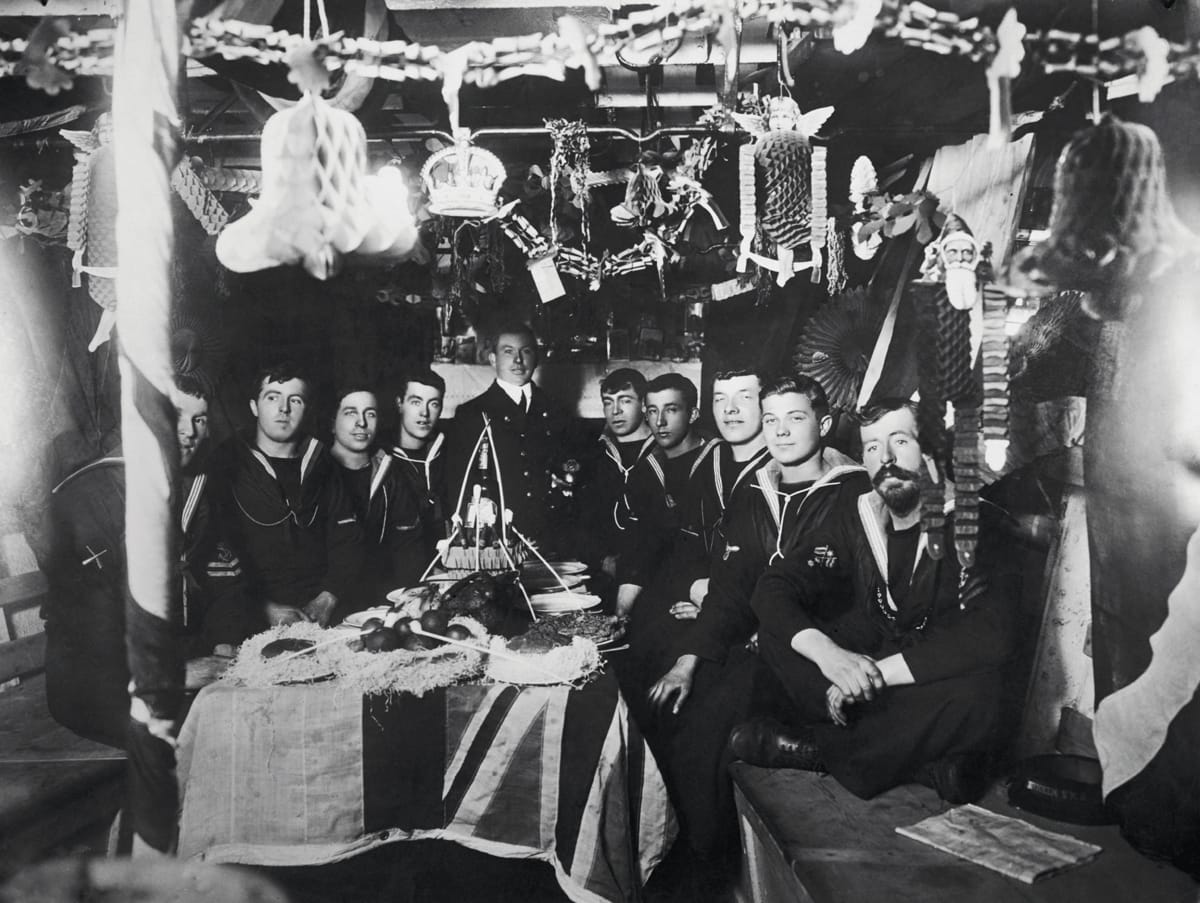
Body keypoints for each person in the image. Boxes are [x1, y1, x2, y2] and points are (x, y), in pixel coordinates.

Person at [735, 397, 1017, 804]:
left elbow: (990, 634)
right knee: (778, 633)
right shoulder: (859, 514)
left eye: (900, 441)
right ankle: (918, 762)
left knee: (979, 695)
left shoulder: (977, 521)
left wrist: (876, 675)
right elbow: (774, 586)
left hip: (919, 677)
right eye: (871, 446)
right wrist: (832, 657)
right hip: (871, 667)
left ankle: (821, 750)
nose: (884, 458)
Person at [646, 375, 868, 856]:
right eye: (771, 420)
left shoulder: (854, 495)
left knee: (712, 725)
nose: (781, 432)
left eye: (795, 418)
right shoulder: (752, 494)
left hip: (818, 660)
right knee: (675, 705)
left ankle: (709, 868)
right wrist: (687, 662)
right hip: (753, 649)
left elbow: (861, 603)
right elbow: (728, 593)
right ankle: (688, 859)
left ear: (824, 424)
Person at [43, 375, 244, 748]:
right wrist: (172, 674)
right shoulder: (90, 496)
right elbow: (89, 631)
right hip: (96, 684)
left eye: (200, 419)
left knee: (249, 706)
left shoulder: (194, 488)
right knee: (209, 735)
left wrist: (224, 643)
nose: (189, 431)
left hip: (170, 659)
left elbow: (223, 580)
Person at [211, 362, 365, 631]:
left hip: (320, 611)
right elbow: (213, 552)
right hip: (246, 612)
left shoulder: (323, 462)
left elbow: (348, 540)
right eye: (272, 398)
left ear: (307, 410)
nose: (284, 409)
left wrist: (328, 597)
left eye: (295, 400)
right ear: (253, 407)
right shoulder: (226, 462)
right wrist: (261, 610)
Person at [447, 323, 576, 552]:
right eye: (508, 351)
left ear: (536, 358)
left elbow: (568, 475)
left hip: (551, 539)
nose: (518, 360)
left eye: (525, 351)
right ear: (493, 359)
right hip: (494, 543)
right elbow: (459, 485)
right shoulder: (472, 414)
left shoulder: (557, 410)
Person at [582, 368, 654, 579]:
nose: (615, 410)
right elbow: (581, 523)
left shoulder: (665, 451)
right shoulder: (594, 455)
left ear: (643, 404)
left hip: (654, 575)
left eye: (625, 400)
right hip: (604, 572)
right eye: (608, 402)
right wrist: (602, 560)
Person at [387, 368, 448, 580]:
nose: (424, 413)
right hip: (399, 578)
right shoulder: (382, 459)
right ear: (399, 404)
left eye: (433, 403)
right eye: (415, 401)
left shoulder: (449, 454)